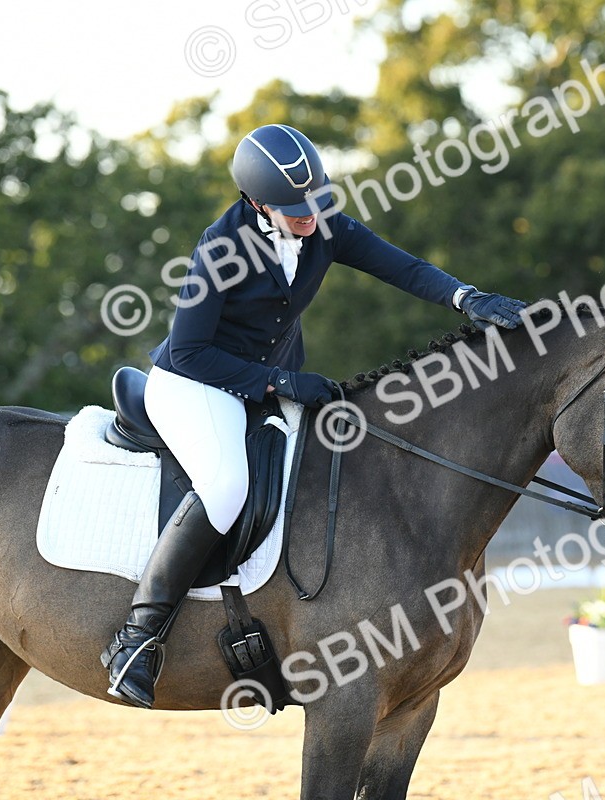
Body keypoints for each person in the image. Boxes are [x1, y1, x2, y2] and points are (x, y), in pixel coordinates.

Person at [101, 123, 527, 708]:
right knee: (226, 486)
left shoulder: (322, 223)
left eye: (315, 203)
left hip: (268, 383)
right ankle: (137, 642)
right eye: (294, 210)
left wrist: (467, 299)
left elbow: (400, 267)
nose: (309, 217)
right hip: (197, 384)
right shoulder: (219, 249)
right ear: (256, 203)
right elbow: (189, 351)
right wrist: (281, 382)